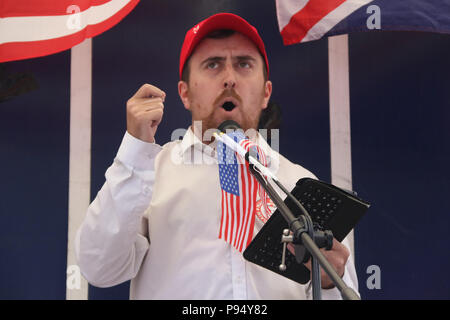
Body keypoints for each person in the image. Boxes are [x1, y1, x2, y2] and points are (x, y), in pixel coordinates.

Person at [75, 12, 358, 299]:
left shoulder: (299, 184)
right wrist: (135, 150)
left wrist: (329, 282)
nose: (230, 79)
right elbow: (99, 269)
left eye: (244, 64)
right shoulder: (148, 173)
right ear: (184, 93)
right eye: (213, 65)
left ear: (265, 93)